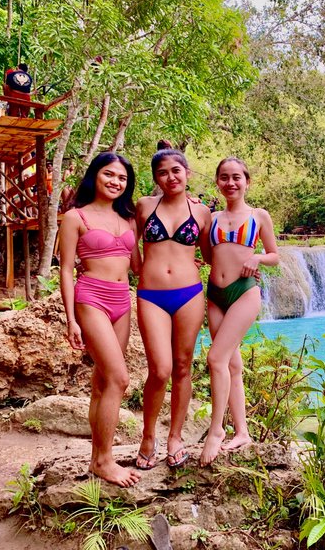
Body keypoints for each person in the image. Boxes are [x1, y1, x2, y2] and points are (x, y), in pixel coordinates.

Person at [59, 152, 142, 487]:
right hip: (91, 297)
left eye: (122, 178)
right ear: (95, 176)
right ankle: (104, 461)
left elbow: (137, 266)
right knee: (119, 379)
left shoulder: (130, 219)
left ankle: (97, 457)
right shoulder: (75, 217)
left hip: (123, 300)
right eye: (109, 175)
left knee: (102, 383)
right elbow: (65, 270)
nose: (115, 182)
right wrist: (70, 320)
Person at [134, 149, 212, 470]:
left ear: (187, 173)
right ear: (156, 178)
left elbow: (208, 255)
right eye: (163, 172)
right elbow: (128, 244)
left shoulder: (202, 212)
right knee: (160, 369)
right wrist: (140, 269)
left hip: (189, 295)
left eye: (177, 170)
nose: (171, 177)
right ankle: (148, 436)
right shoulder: (143, 206)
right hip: (151, 295)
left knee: (182, 366)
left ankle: (175, 438)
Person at [201, 157, 279, 466]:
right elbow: (208, 256)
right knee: (231, 365)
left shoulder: (259, 216)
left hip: (244, 293)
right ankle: (242, 432)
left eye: (236, 177)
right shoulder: (211, 218)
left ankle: (216, 431)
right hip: (215, 294)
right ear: (218, 183)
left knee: (215, 359)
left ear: (247, 181)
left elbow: (274, 255)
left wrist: (257, 259)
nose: (230, 183)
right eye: (224, 178)